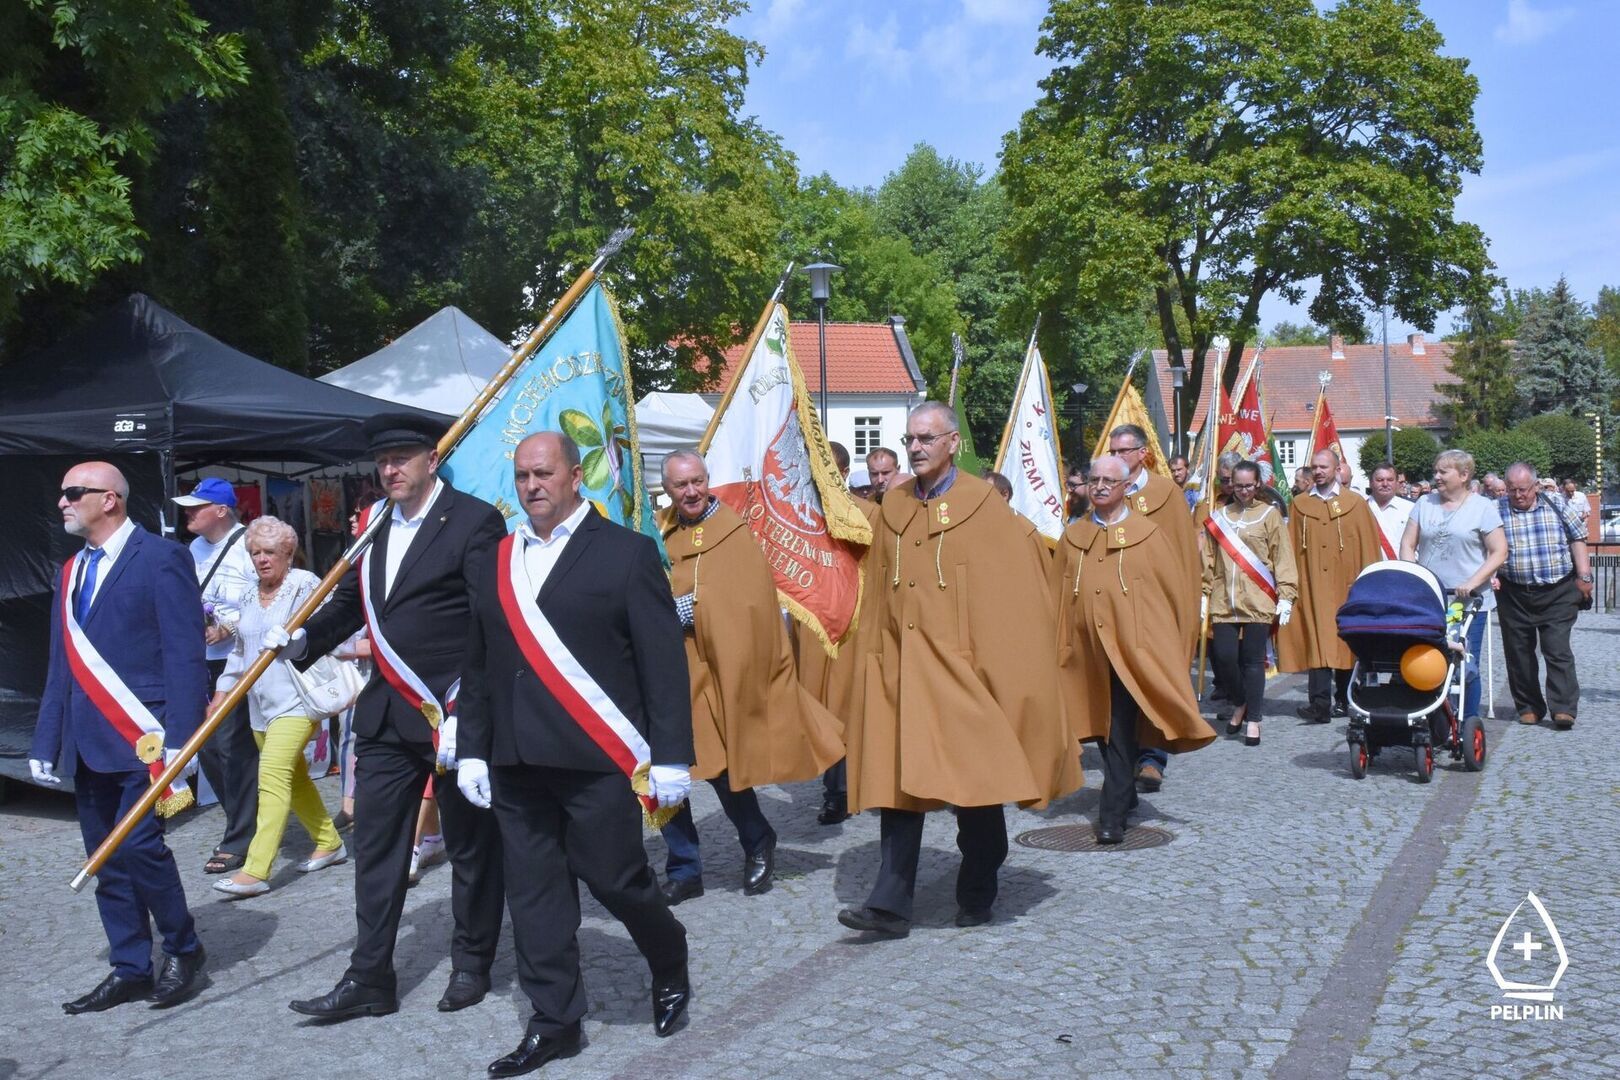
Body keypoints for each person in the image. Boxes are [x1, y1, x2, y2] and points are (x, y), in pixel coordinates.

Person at [455, 432, 694, 1074]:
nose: (533, 486)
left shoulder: (627, 553)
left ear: (575, 475)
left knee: (615, 878)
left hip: (595, 756)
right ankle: (555, 1020)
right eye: (522, 475)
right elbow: (478, 664)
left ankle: (669, 956)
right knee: (533, 894)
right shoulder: (497, 559)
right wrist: (472, 748)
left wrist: (672, 756)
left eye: (544, 473)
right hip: (515, 760)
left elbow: (662, 665)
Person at [278, 412, 507, 1020]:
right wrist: (303, 641)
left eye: (403, 457)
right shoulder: (373, 525)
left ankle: (471, 963)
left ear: (433, 460)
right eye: (382, 461)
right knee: (378, 847)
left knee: (469, 844)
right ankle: (370, 976)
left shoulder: (475, 521)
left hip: (451, 715)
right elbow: (355, 606)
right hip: (385, 715)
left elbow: (492, 623)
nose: (390, 469)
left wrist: (473, 711)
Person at [838, 402, 1079, 938]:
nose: (916, 447)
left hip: (967, 675)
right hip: (905, 672)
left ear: (952, 442)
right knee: (900, 790)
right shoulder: (893, 506)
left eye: (926, 438)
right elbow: (876, 591)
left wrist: (1006, 676)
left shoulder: (985, 508)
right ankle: (889, 904)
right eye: (909, 439)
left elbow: (1012, 600)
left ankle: (977, 887)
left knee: (977, 790)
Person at [31, 462, 207, 1012]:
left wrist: (183, 737)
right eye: (62, 493)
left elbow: (185, 653)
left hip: (145, 735)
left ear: (110, 499)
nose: (62, 502)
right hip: (88, 739)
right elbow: (63, 661)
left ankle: (183, 946)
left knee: (139, 847)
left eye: (73, 493)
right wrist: (46, 737)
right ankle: (130, 965)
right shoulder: (70, 570)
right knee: (104, 856)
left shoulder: (161, 558)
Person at [658, 450, 844, 904]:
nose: (691, 492)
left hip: (718, 670)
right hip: (668, 670)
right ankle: (684, 867)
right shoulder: (658, 531)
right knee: (661, 771)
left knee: (721, 767)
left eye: (697, 481)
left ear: (707, 479)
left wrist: (692, 611)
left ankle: (757, 838)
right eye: (681, 485)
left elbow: (749, 603)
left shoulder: (734, 534)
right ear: (667, 489)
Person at [1054, 455, 1216, 842]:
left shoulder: (1148, 535)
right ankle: (1123, 795)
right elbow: (1056, 595)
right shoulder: (1074, 536)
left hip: (1133, 652)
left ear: (1127, 486)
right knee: (1100, 729)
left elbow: (1171, 597)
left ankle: (1110, 815)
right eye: (1094, 480)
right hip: (1087, 653)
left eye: (1109, 480)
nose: (1100, 487)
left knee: (1121, 729)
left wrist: (1172, 649)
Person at [209, 516, 345, 897]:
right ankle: (329, 842)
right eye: (255, 553)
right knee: (295, 776)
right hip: (259, 704)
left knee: (270, 776)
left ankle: (256, 869)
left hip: (297, 700)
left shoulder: (305, 585)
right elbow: (241, 652)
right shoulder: (251, 593)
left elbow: (333, 627)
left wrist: (303, 638)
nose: (261, 560)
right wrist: (221, 692)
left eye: (269, 552)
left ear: (288, 553)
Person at [173, 477, 259, 876]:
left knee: (230, 745)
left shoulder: (249, 544)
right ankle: (244, 821)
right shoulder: (192, 548)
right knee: (205, 746)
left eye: (197, 506)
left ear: (221, 510)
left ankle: (240, 836)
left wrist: (229, 626)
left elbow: (267, 596)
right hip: (201, 657)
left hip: (239, 659)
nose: (188, 512)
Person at [1108, 424, 1199, 794]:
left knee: (1154, 679)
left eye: (1122, 451)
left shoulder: (1166, 495)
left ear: (1143, 452)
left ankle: (1152, 758)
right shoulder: (1106, 491)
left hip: (1155, 606)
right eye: (1111, 451)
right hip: (1116, 605)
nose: (1116, 457)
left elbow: (1182, 556)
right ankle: (1124, 755)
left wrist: (1183, 606)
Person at [796, 441, 878, 826]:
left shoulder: (869, 515)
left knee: (850, 708)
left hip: (854, 627)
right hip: (812, 628)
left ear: (843, 474)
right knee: (822, 709)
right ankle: (839, 787)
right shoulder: (798, 517)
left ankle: (843, 791)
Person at [1400, 449, 1507, 730]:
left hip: (1469, 601)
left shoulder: (1483, 508)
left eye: (1443, 472)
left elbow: (1499, 552)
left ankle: (1466, 722)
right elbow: (1408, 544)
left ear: (1463, 475)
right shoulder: (1424, 503)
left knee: (1464, 663)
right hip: (1429, 599)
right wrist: (1414, 577)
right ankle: (1430, 719)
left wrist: (1471, 583)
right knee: (1428, 659)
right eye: (1436, 470)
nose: (1436, 476)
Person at [1278, 449, 1383, 721]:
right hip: (1311, 585)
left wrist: (1369, 585)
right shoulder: (1300, 504)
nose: (1319, 471)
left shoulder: (1355, 503)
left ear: (1337, 469)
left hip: (1346, 586)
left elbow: (1369, 546)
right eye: (1314, 467)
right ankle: (1319, 704)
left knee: (1345, 642)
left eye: (1324, 466)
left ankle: (1346, 699)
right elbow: (1289, 548)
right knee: (1316, 641)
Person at [1201, 462, 1298, 747]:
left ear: (1258, 485)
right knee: (1225, 658)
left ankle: (1253, 718)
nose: (1242, 490)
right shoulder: (1218, 516)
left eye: (1247, 485)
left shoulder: (1270, 515)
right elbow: (1209, 557)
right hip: (1224, 599)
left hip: (1258, 598)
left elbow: (1282, 556)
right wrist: (1203, 592)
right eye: (1236, 485)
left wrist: (1287, 594)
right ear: (1229, 483)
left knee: (1253, 662)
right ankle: (1241, 702)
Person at [1496, 463, 1593, 729]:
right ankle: (1528, 707)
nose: (1518, 495)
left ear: (1535, 486)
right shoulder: (1496, 510)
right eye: (1513, 490)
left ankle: (1563, 708)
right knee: (1518, 651)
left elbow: (1578, 538)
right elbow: (1488, 547)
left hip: (1558, 590)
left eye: (1524, 489)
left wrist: (1584, 576)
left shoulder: (1557, 504)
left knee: (1556, 648)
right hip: (1513, 591)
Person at [1366, 461, 1414, 560]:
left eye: (1390, 480)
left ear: (1397, 483)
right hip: (1369, 571)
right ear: (1370, 483)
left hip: (1404, 570)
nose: (1385, 484)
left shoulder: (1411, 509)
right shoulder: (1361, 508)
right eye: (1379, 480)